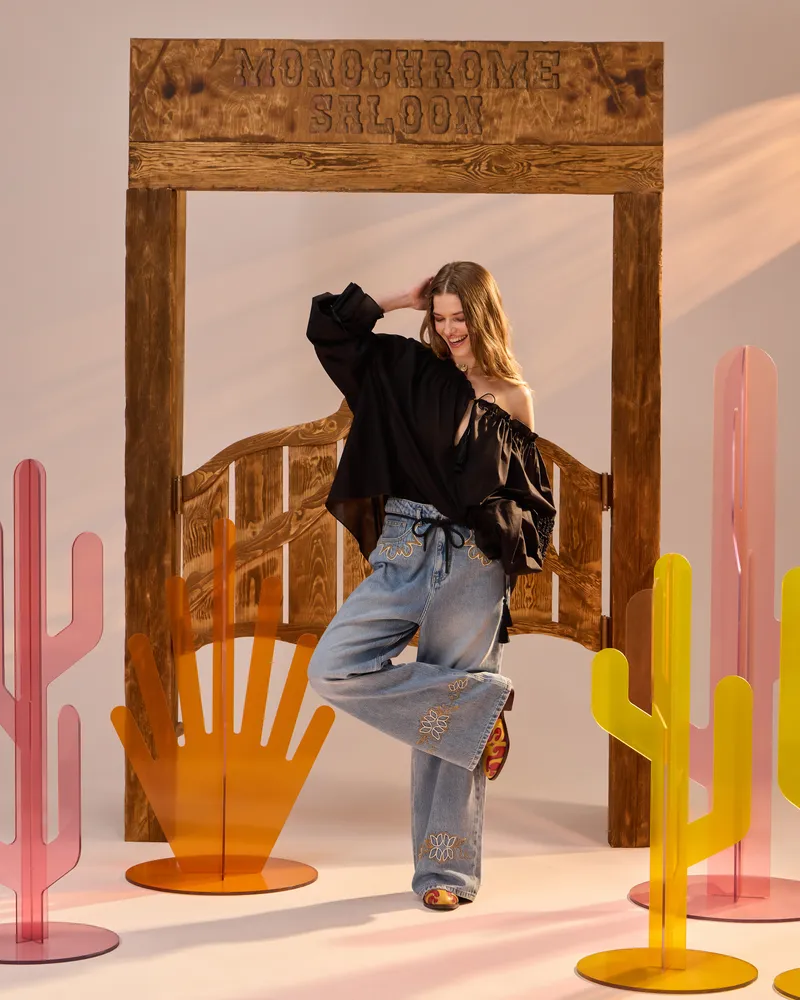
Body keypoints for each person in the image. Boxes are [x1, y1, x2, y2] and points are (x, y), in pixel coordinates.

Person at [305, 261, 556, 911]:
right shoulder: (404, 369)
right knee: (333, 668)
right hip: (405, 549)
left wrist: (502, 534)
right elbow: (329, 329)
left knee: (447, 727)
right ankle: (482, 705)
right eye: (439, 317)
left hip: (474, 561)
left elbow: (532, 497)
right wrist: (398, 299)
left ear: (485, 315)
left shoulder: (512, 395)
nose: (449, 330)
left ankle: (446, 874)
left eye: (460, 317)